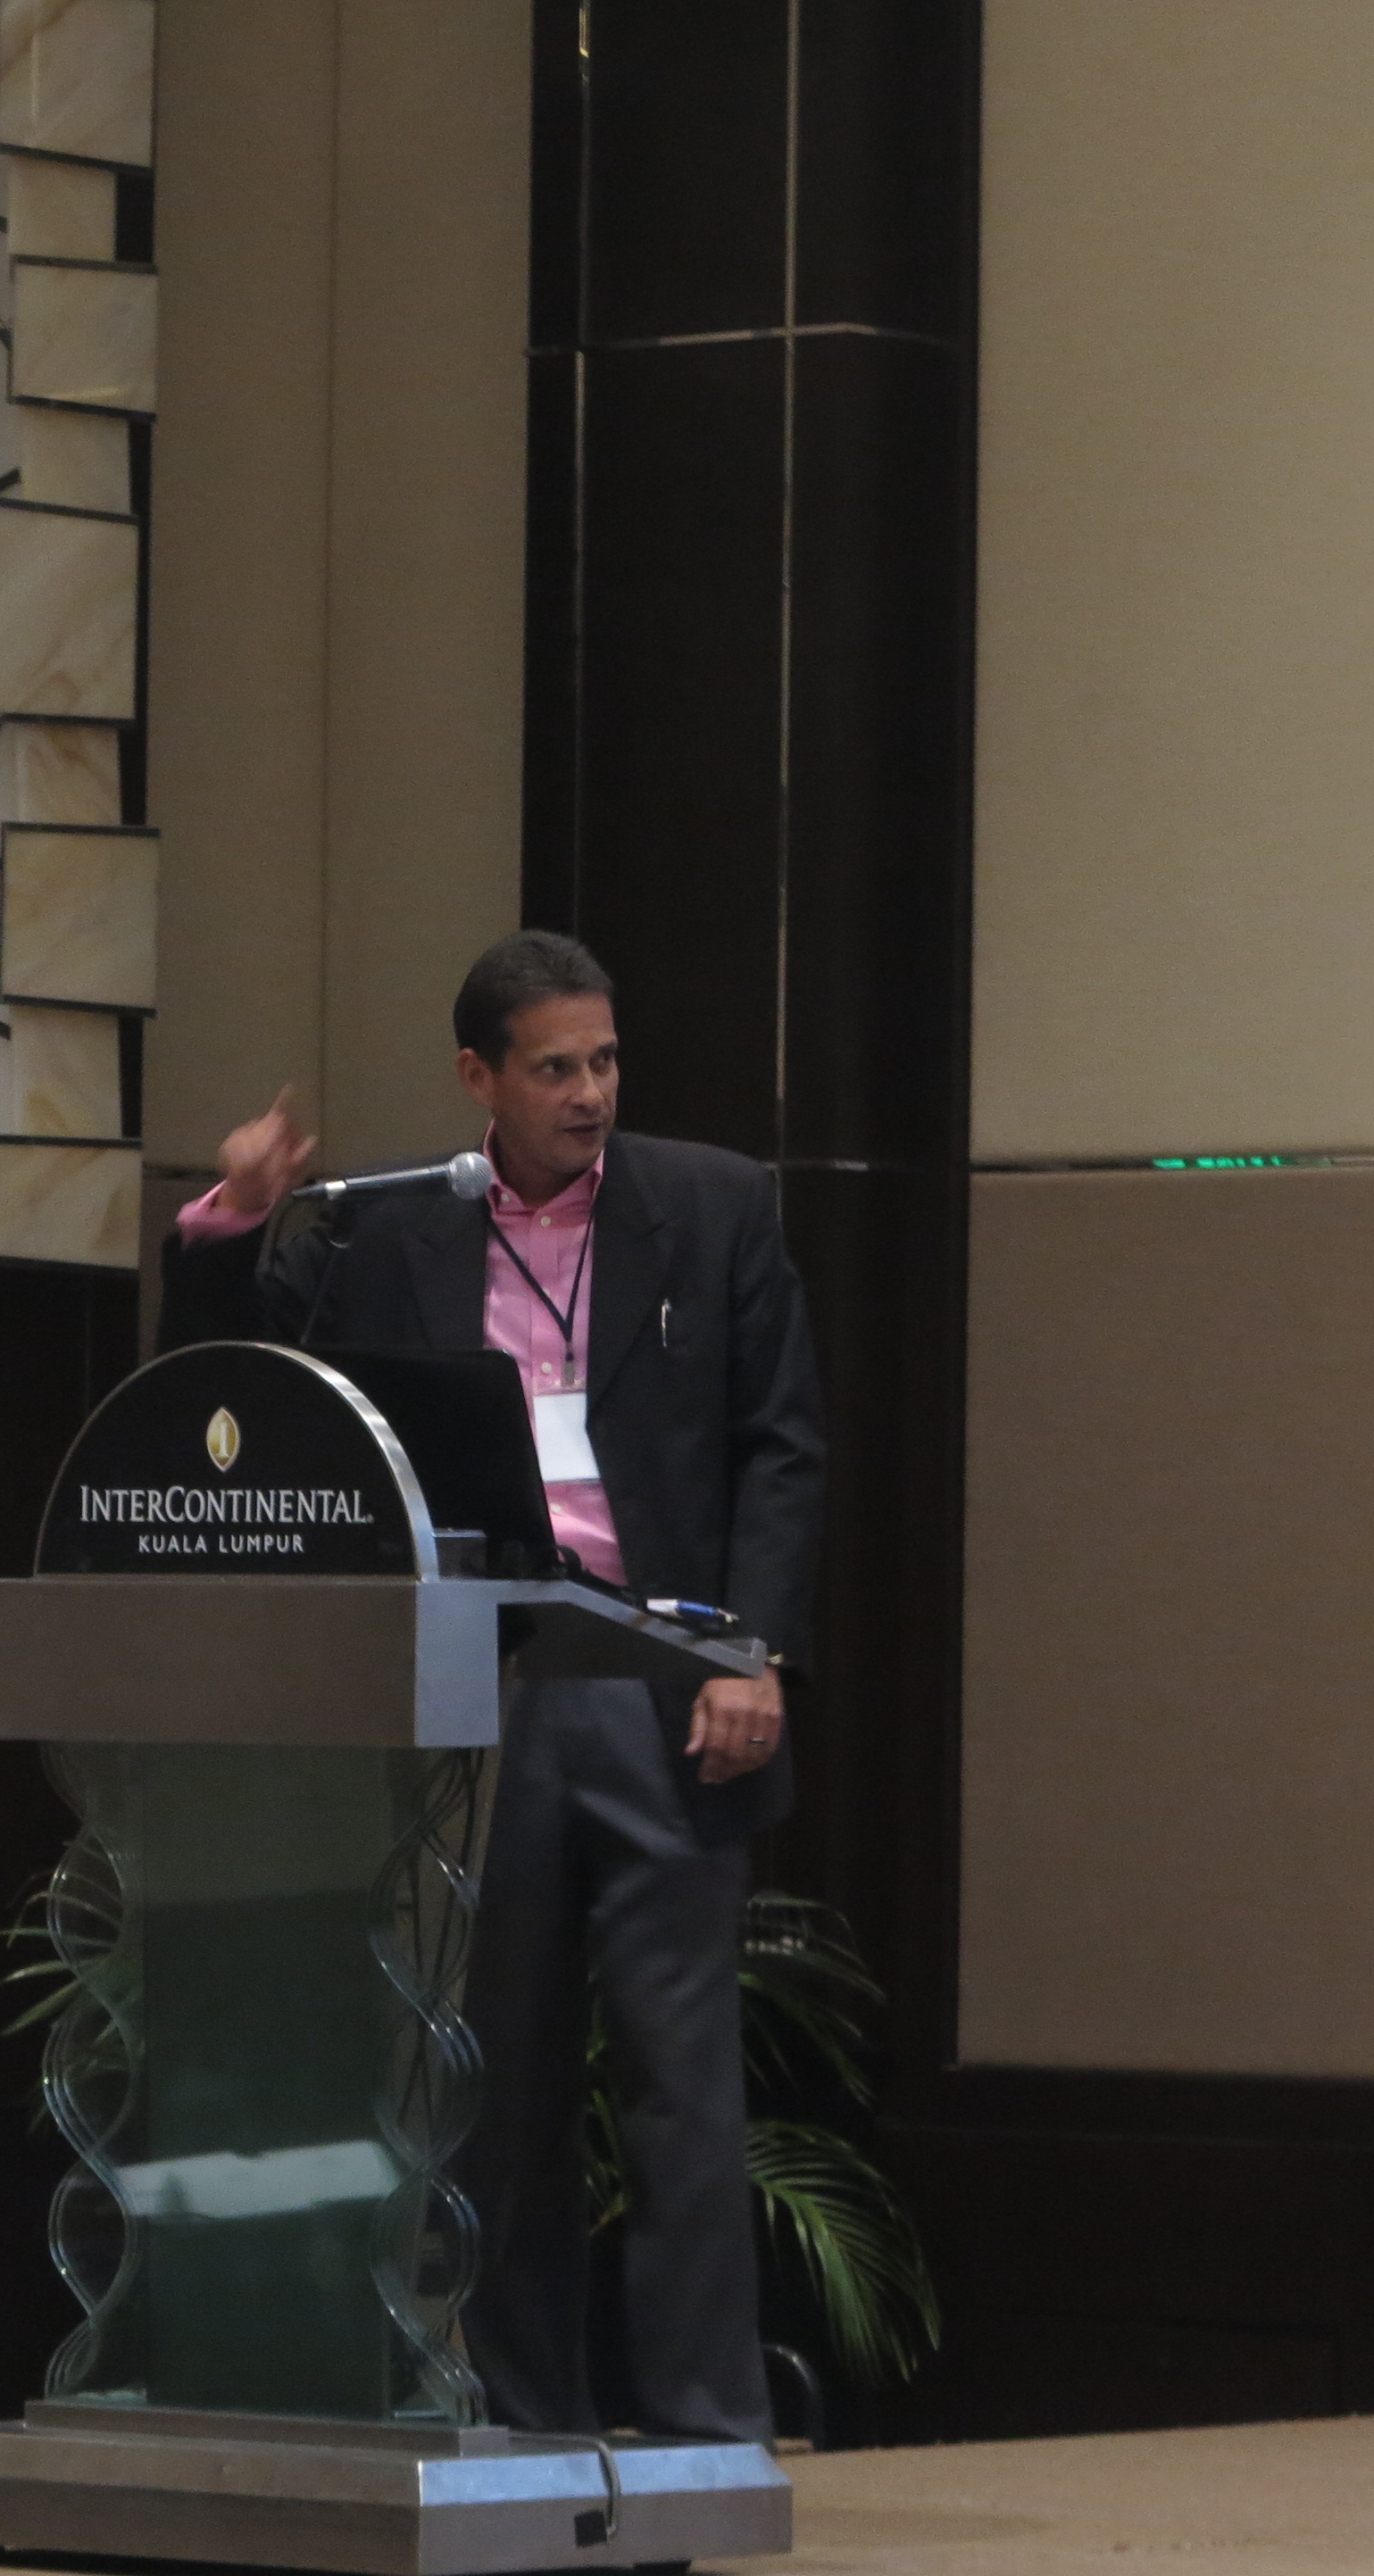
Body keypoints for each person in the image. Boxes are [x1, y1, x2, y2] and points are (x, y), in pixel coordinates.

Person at [160, 928, 826, 2446]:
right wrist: (232, 1222)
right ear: (479, 1077)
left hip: (668, 1683)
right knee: (500, 2084)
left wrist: (750, 1651)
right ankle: (528, 2425)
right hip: (487, 1690)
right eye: (555, 1069)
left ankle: (709, 2434)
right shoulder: (395, 1229)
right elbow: (242, 1403)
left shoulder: (714, 1206)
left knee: (681, 2086)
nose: (590, 1094)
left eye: (606, 1062)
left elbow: (783, 1445)